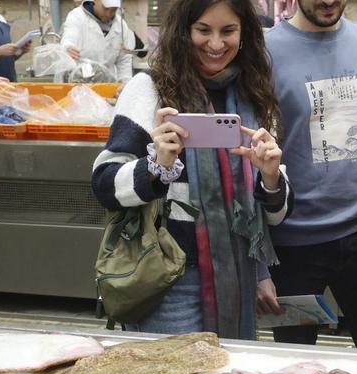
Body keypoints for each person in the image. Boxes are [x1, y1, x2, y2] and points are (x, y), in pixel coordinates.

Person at [91, 0, 291, 338]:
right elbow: (104, 183)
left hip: (238, 275)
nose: (215, 44)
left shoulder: (254, 96)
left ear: (244, 34)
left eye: (228, 31)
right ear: (184, 31)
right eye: (203, 30)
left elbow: (274, 214)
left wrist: (271, 177)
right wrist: (155, 165)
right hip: (168, 280)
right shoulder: (150, 90)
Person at [261, 0, 357, 348]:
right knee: (294, 368)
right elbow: (253, 160)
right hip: (291, 247)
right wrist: (259, 262)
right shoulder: (264, 53)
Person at [61, 0, 136, 83]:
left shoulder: (121, 26)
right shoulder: (77, 17)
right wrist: (68, 47)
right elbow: (69, 39)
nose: (108, 14)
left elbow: (124, 60)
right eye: (105, 9)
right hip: (80, 83)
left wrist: (125, 84)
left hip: (107, 86)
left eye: (113, 10)